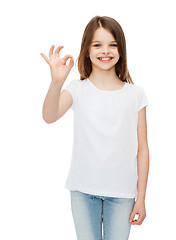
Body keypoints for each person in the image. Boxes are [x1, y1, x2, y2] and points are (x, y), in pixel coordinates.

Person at [41, 15, 149, 240]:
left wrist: (141, 198)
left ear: (121, 50)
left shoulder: (135, 94)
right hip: (83, 191)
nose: (105, 51)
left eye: (112, 45)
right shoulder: (77, 89)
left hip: (122, 194)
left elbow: (143, 149)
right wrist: (56, 83)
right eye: (97, 45)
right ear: (87, 50)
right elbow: (49, 116)